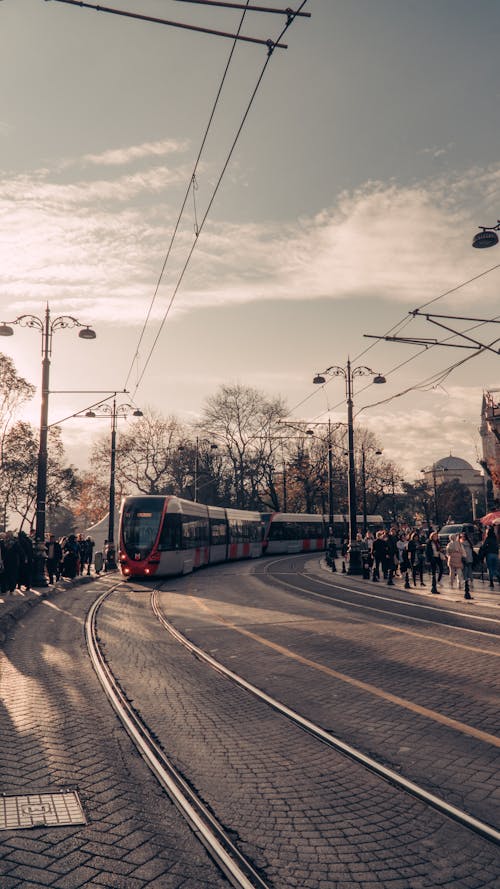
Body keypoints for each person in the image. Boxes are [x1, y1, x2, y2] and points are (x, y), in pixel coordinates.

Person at [459, 530, 474, 600]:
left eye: (462, 536)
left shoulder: (462, 543)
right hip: (470, 559)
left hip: (465, 559)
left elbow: (462, 551)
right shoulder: (469, 543)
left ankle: (466, 583)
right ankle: (471, 582)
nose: (462, 537)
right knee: (470, 570)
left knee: (465, 571)